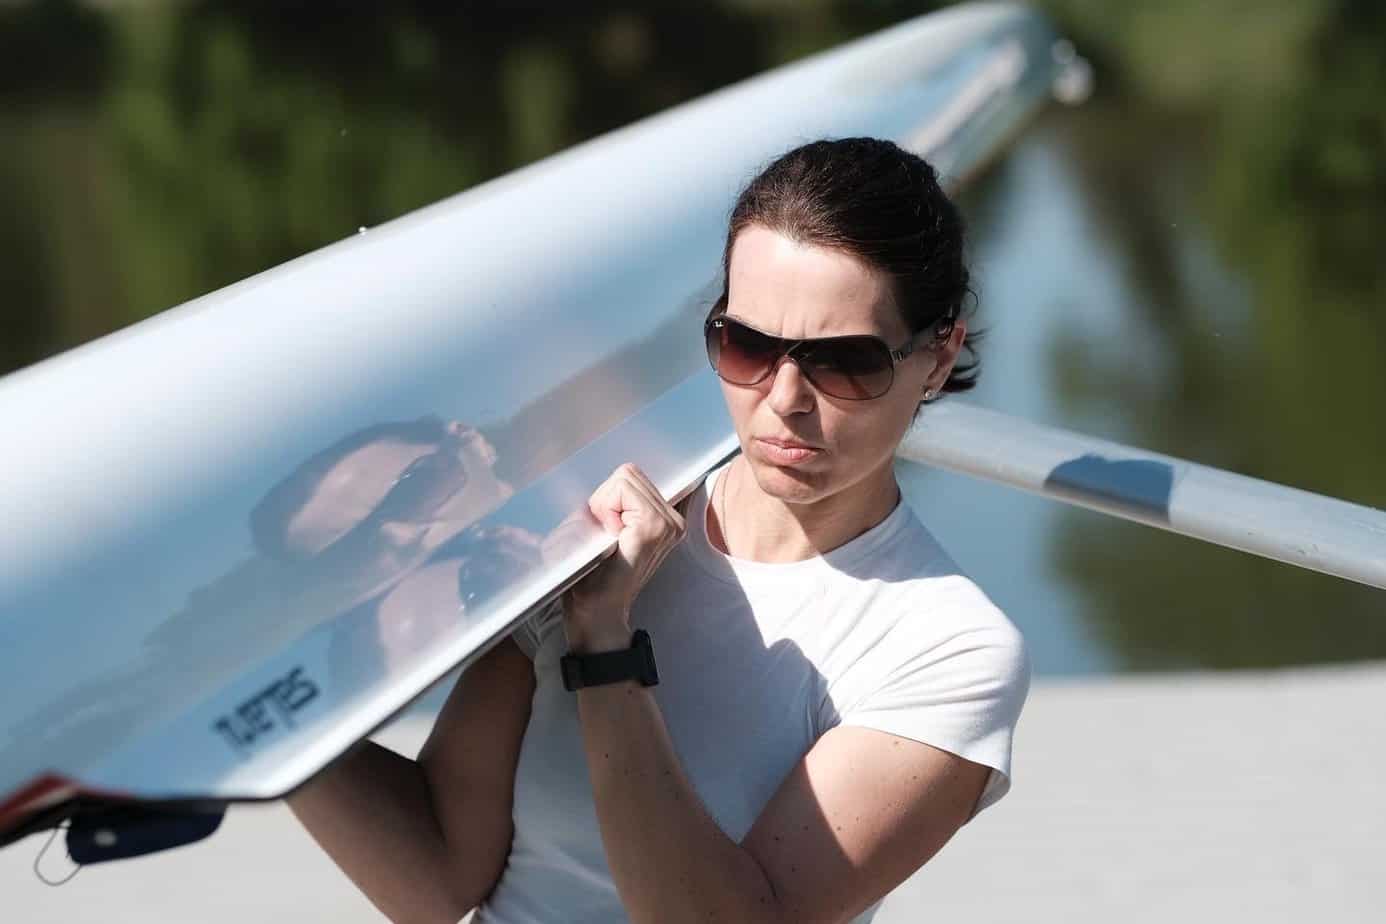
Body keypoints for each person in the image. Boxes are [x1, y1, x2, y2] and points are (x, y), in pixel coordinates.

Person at [288, 137, 1029, 924]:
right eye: (746, 345)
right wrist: (243, 727)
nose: (783, 399)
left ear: (938, 357)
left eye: (842, 362)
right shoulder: (596, 519)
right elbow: (440, 874)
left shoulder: (947, 647)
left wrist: (603, 641)